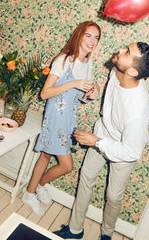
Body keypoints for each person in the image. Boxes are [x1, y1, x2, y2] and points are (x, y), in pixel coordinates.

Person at [54, 41, 149, 240]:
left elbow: (132, 151)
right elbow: (112, 98)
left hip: (125, 148)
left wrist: (96, 141)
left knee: (113, 196)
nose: (120, 50)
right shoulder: (117, 69)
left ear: (133, 72)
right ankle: (75, 230)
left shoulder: (137, 109)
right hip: (103, 132)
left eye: (127, 52)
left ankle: (106, 234)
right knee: (86, 178)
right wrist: (94, 92)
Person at [22, 21, 101, 216]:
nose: (92, 41)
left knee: (46, 155)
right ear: (79, 35)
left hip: (69, 119)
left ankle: (32, 190)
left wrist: (91, 93)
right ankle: (37, 186)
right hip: (55, 117)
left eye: (96, 37)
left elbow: (79, 96)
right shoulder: (64, 60)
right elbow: (45, 93)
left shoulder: (88, 64)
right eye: (88, 35)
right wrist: (74, 83)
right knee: (67, 166)